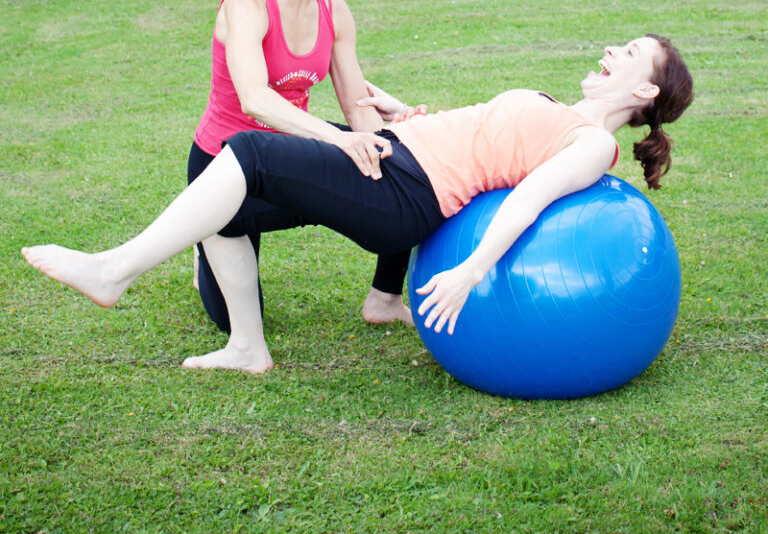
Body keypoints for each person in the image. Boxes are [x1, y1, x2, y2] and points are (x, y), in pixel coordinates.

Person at [22, 34, 693, 375]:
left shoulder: (590, 147)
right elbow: (483, 135)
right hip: (394, 155)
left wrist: (469, 272)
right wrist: (400, 110)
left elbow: (524, 201)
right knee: (226, 208)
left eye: (629, 53)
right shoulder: (564, 110)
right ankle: (248, 346)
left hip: (404, 192)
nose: (611, 49)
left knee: (251, 153)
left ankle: (113, 271)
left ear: (643, 94)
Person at [187, 0, 422, 336]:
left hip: (292, 156)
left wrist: (395, 141)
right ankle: (204, 236)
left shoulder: (336, 12)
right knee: (225, 319)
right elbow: (254, 99)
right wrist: (339, 139)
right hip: (224, 170)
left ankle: (384, 299)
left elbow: (357, 107)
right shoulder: (246, 3)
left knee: (398, 163)